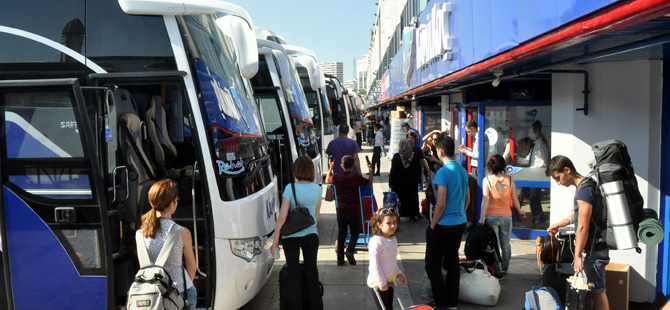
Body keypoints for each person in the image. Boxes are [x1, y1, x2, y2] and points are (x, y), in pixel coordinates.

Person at [545, 155, 609, 310]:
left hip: (593, 251)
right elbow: (580, 215)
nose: (559, 183)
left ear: (567, 170)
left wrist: (578, 255)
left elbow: (583, 227)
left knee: (598, 293)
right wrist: (560, 224)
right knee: (592, 291)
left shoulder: (584, 191)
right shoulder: (588, 186)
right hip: (595, 248)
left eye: (558, 178)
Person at [271, 155, 324, 310]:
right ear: (310, 171)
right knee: (312, 272)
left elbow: (282, 217)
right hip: (311, 236)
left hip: (291, 237)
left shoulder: (290, 188)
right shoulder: (317, 189)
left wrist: (275, 240)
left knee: (293, 274)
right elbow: (316, 216)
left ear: (296, 170)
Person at [425, 133, 470, 310]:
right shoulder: (462, 170)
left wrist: (432, 224)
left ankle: (440, 301)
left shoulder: (443, 173)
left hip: (443, 224)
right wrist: (459, 215)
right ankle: (452, 302)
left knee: (432, 264)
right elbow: (468, 200)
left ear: (441, 152)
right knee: (452, 262)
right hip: (460, 222)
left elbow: (440, 203)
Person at [137, 179, 197, 310]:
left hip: (151, 295)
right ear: (172, 204)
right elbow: (192, 268)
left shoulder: (140, 234)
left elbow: (144, 268)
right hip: (179, 292)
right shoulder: (183, 233)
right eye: (177, 200)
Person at [479, 154, 527, 275]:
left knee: (494, 244)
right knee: (506, 244)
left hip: (491, 217)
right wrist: (520, 211)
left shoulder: (487, 180)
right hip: (506, 217)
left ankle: (498, 269)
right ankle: (505, 267)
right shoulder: (509, 180)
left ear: (490, 167)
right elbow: (515, 199)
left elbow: (485, 199)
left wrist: (481, 217)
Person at [325, 155, 374, 266]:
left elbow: (327, 180)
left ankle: (340, 259)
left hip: (341, 210)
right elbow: (369, 183)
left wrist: (330, 168)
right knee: (355, 232)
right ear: (353, 167)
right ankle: (350, 250)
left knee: (341, 233)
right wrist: (371, 170)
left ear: (341, 166)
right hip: (353, 210)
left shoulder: (337, 177)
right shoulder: (356, 177)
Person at [367, 207, 407, 310]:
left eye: (394, 222)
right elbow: (374, 265)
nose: (393, 225)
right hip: (378, 282)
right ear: (379, 225)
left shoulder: (393, 239)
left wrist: (398, 272)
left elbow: (392, 259)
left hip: (390, 279)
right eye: (389, 223)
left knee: (389, 307)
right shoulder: (376, 242)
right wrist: (382, 282)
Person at [517, 120, 550, 227]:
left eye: (531, 131)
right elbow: (528, 160)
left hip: (536, 176)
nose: (529, 134)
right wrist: (518, 159)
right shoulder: (535, 145)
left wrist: (530, 171)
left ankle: (538, 220)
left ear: (537, 131)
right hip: (532, 175)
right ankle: (536, 219)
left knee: (534, 198)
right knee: (533, 198)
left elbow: (541, 163)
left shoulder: (540, 145)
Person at [389, 139, 422, 221]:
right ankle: (412, 215)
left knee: (400, 199)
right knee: (412, 198)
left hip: (399, 183)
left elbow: (393, 171)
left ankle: (399, 214)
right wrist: (418, 180)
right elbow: (419, 169)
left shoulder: (397, 156)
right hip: (412, 183)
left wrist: (391, 182)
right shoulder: (414, 156)